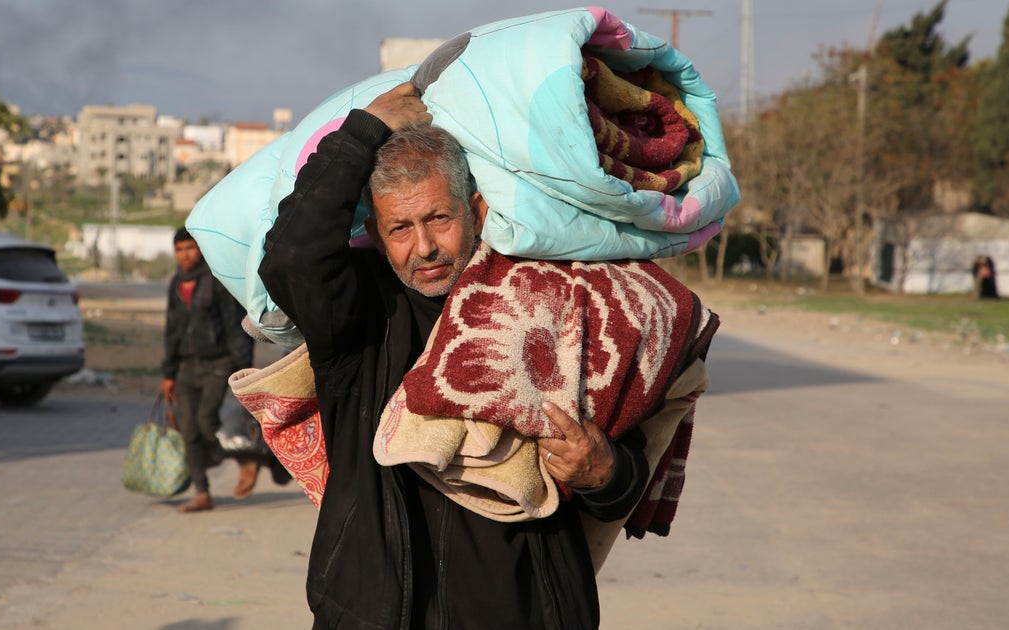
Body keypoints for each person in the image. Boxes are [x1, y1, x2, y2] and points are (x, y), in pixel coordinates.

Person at [258, 82, 650, 629]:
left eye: (439, 218)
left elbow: (627, 471)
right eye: (400, 228)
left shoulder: (553, 302)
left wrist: (602, 470)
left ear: (477, 212)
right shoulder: (360, 315)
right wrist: (365, 130)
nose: (424, 248)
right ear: (375, 234)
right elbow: (292, 257)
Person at [161, 227, 257, 512]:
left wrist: (243, 368)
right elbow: (172, 330)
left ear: (200, 249)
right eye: (179, 249)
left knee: (206, 419)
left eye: (190, 248)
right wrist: (168, 373)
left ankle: (244, 457)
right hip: (186, 366)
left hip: (218, 363)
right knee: (189, 430)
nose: (185, 255)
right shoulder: (176, 284)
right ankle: (202, 492)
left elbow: (234, 326)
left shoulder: (216, 281)